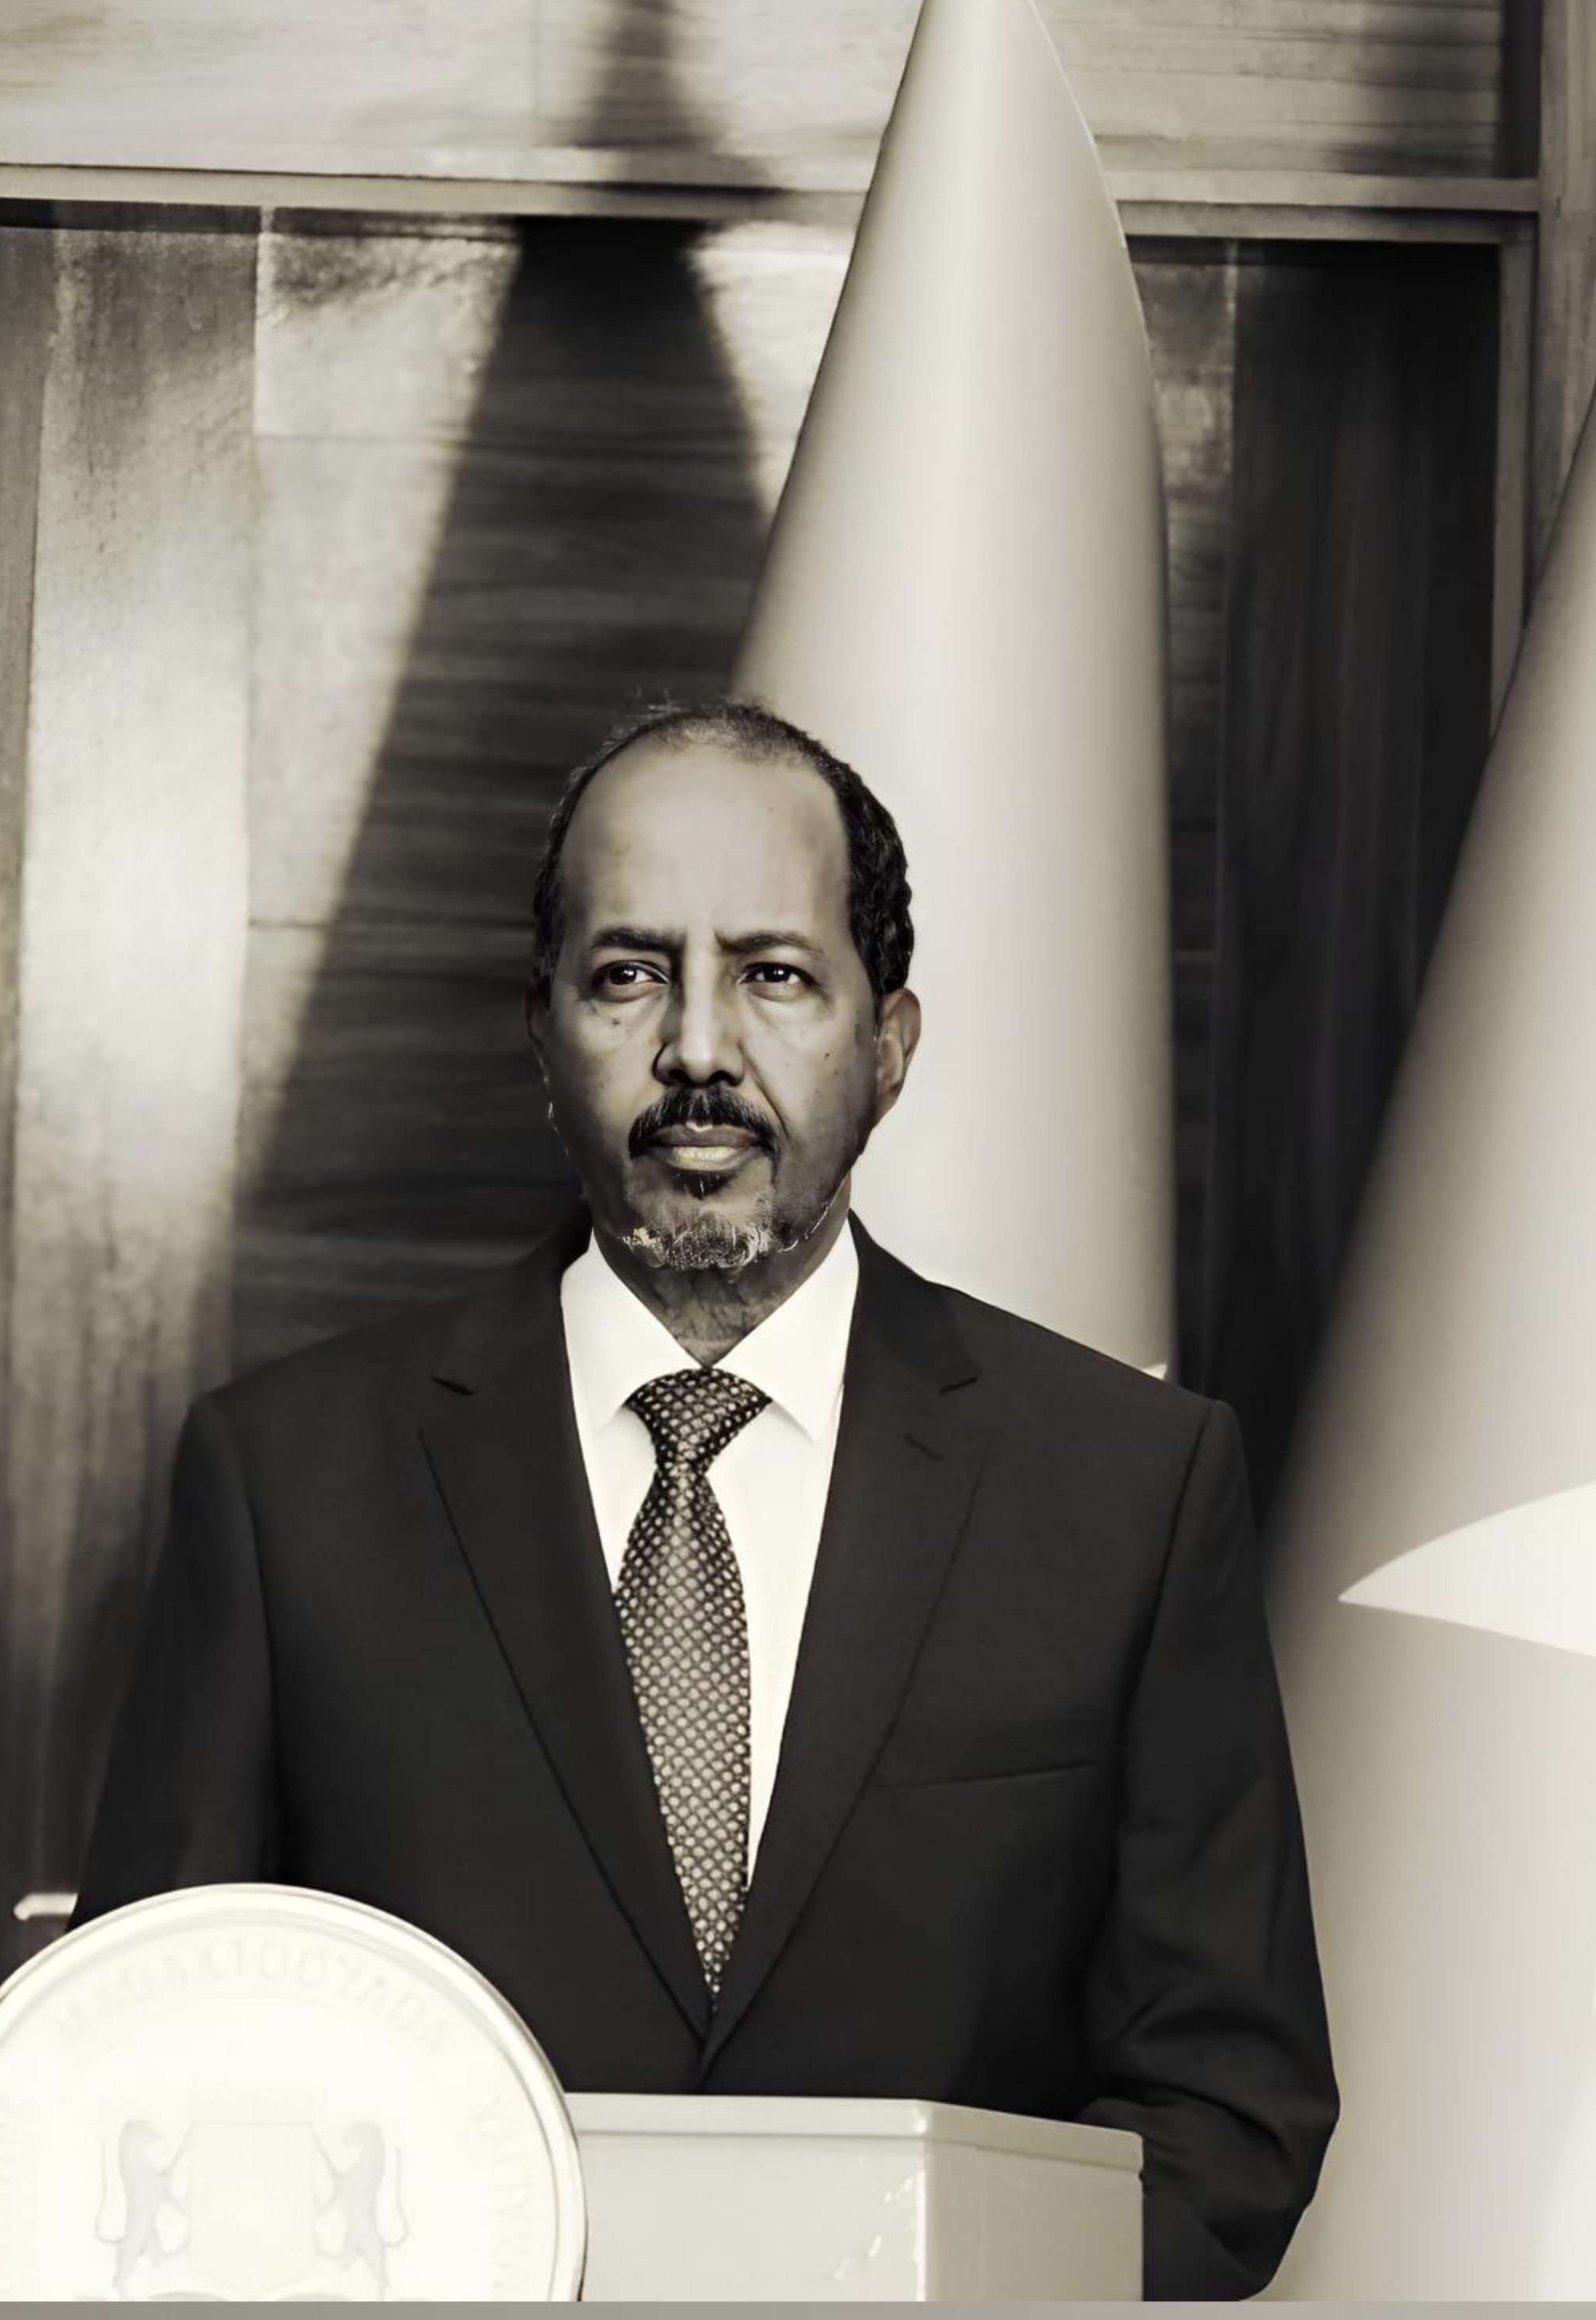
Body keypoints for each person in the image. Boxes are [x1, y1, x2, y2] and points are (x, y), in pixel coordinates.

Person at [76, 699, 1335, 2297]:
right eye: (624, 973)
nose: (693, 1049)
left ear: (885, 1043)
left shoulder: (1126, 1494)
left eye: (772, 973)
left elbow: (1227, 2119)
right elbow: (137, 2071)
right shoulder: (281, 1484)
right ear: (539, 1034)